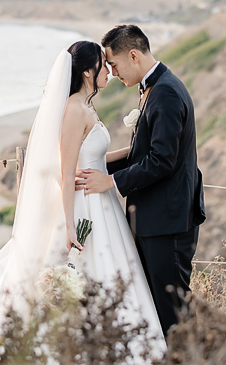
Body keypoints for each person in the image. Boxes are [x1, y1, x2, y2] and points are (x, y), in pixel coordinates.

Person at [0, 41, 165, 362]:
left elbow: (92, 159)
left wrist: (136, 152)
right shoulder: (73, 109)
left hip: (102, 201)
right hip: (83, 204)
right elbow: (66, 172)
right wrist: (70, 224)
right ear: (87, 71)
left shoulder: (86, 107)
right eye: (102, 64)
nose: (109, 71)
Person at [77, 24, 206, 336]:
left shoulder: (165, 93)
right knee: (158, 308)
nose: (112, 72)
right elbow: (144, 152)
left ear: (133, 55)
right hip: (158, 218)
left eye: (113, 64)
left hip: (168, 222)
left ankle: (185, 356)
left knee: (171, 311)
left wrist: (111, 182)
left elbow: (162, 160)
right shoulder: (155, 86)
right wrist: (90, 164)